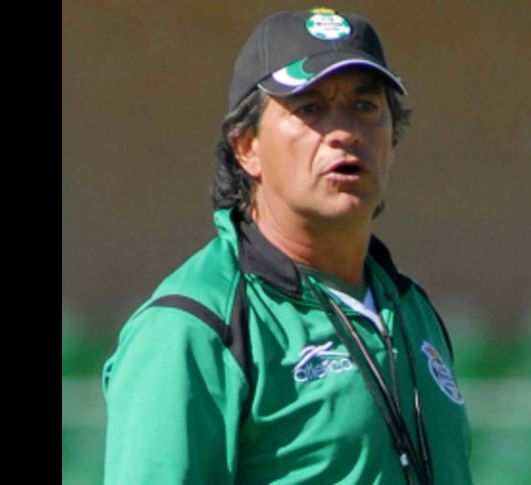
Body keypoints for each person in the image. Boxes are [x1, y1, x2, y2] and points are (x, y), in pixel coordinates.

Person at [102, 7, 473, 484]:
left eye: (365, 106)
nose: (344, 132)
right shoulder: (195, 327)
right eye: (310, 108)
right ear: (246, 147)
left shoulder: (411, 308)